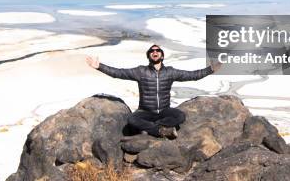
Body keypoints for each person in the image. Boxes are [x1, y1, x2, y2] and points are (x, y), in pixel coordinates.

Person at [85, 44, 219, 139]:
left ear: (162, 55)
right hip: (146, 111)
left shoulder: (170, 72)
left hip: (164, 110)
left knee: (180, 116)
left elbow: (192, 75)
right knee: (132, 119)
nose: (155, 52)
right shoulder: (140, 71)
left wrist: (210, 70)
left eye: (158, 50)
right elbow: (118, 73)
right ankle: (160, 130)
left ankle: (151, 128)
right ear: (149, 56)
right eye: (152, 51)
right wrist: (99, 66)